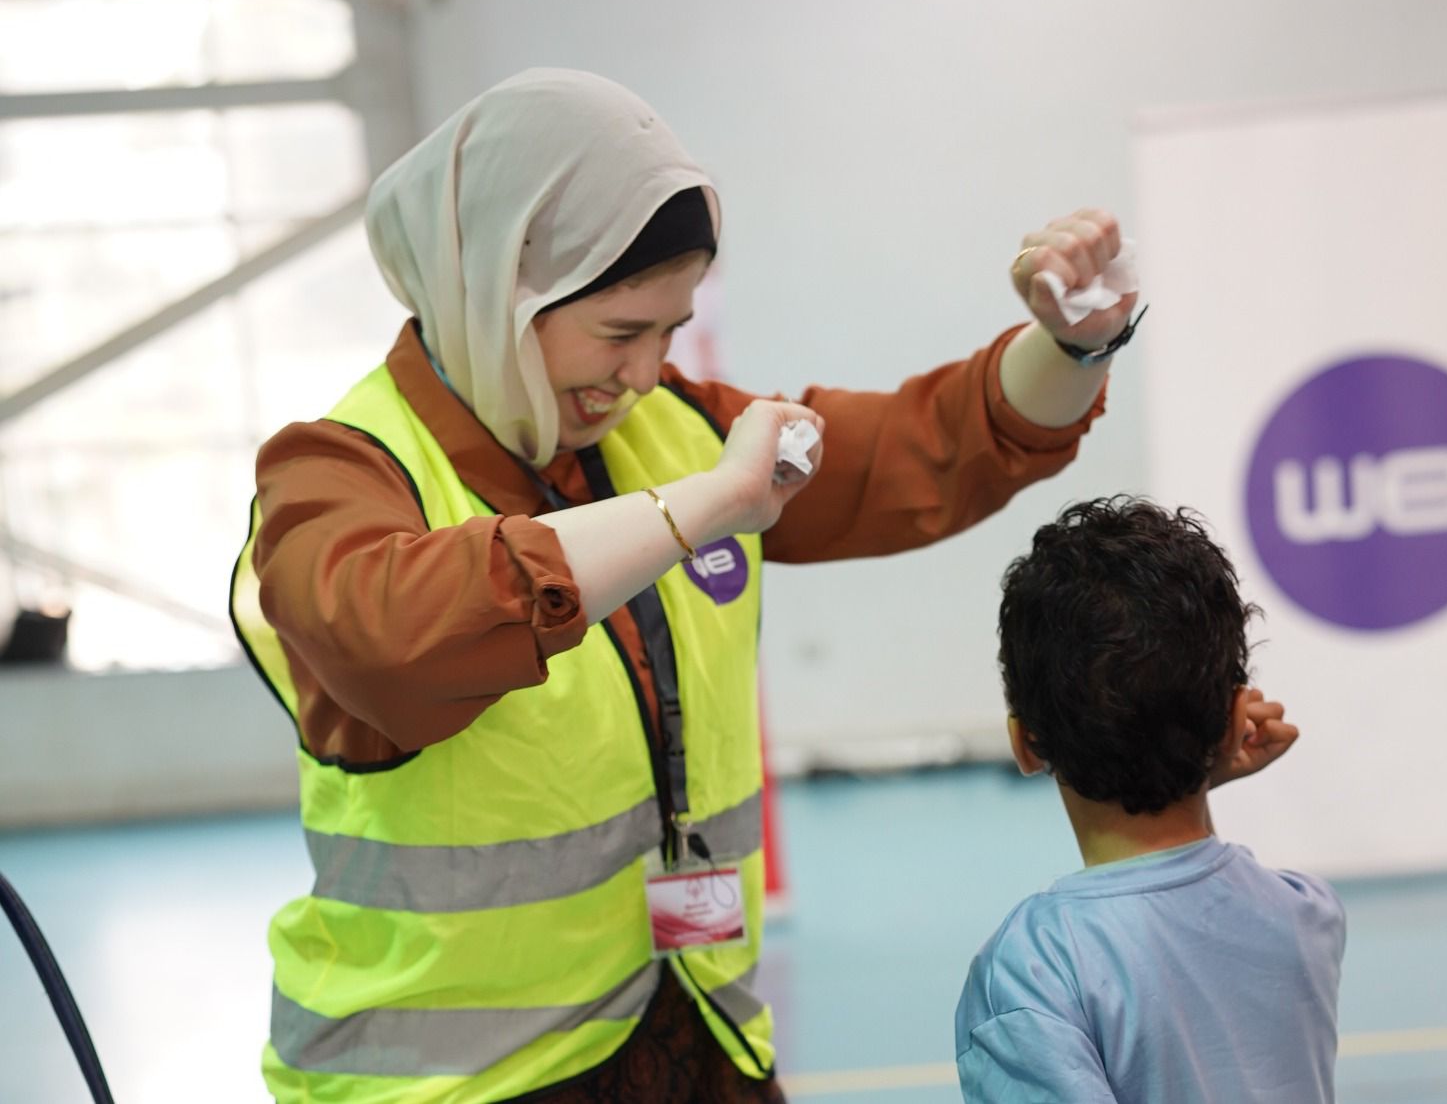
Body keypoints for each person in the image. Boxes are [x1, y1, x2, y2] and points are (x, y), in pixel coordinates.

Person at [230, 67, 1141, 1104]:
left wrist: (1070, 348)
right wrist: (692, 510)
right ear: (494, 290)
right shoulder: (338, 472)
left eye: (669, 331)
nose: (642, 372)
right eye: (620, 332)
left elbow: (917, 448)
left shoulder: (676, 427)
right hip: (453, 1086)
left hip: (692, 1030)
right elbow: (393, 641)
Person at [954, 497, 1346, 1103]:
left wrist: (1201, 757)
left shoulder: (1031, 972)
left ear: (1026, 744)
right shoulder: (1306, 914)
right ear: (1234, 721)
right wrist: (1195, 764)